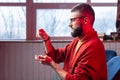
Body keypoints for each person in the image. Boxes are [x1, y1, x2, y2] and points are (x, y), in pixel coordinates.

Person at [35, 3, 107, 80]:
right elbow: (55, 56)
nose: (69, 24)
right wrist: (46, 40)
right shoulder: (77, 41)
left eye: (73, 20)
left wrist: (53, 65)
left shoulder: (93, 46)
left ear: (85, 20)